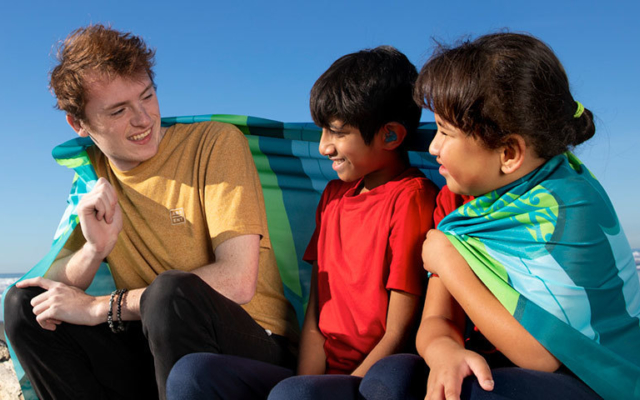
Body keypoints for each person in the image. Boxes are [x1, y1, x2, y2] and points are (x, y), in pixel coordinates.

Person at [3, 24, 299, 400]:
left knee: (169, 292)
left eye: (147, 96)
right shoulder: (93, 174)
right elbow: (56, 287)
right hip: (154, 345)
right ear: (79, 123)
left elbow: (237, 281)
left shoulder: (214, 144)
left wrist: (99, 307)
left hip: (249, 350)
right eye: (119, 111)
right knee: (24, 305)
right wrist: (95, 250)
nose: (143, 119)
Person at [368, 32, 640, 400]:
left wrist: (450, 263)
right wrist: (445, 351)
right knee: (392, 374)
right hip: (510, 371)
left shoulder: (568, 207)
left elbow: (540, 355)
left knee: (471, 390)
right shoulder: (464, 211)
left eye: (446, 132)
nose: (432, 147)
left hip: (592, 379)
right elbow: (438, 320)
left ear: (509, 153)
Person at [259, 46, 438, 399]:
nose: (325, 146)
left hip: (378, 373)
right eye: (323, 131)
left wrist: (334, 389)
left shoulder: (412, 197)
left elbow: (398, 332)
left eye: (338, 133)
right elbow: (316, 315)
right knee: (196, 373)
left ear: (390, 136)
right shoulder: (333, 196)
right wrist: (308, 383)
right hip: (322, 373)